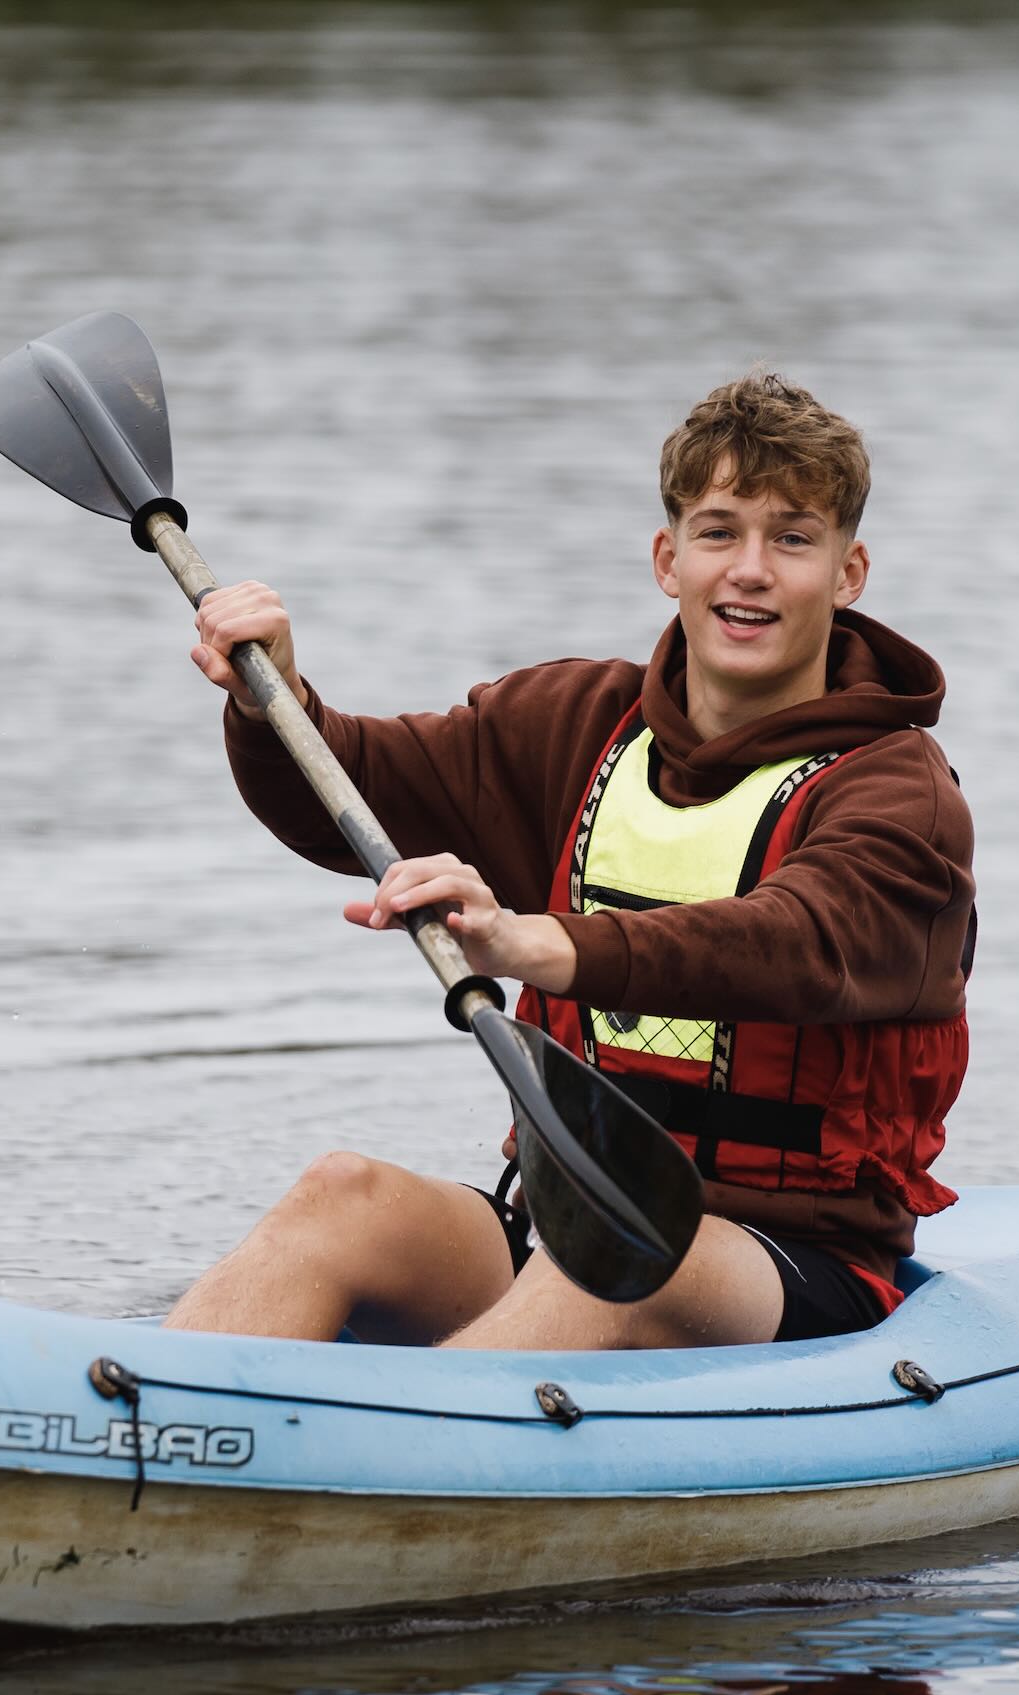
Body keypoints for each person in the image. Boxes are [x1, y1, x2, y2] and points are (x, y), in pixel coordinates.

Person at [162, 374, 974, 1352]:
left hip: (795, 1265)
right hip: (564, 1226)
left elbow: (795, 942)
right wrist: (274, 698)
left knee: (627, 1258)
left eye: (792, 538)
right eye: (719, 533)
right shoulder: (572, 726)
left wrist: (541, 943)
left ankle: (390, 1476)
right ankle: (151, 1433)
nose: (750, 570)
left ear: (849, 573)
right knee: (344, 1191)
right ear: (669, 558)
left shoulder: (898, 793)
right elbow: (348, 790)